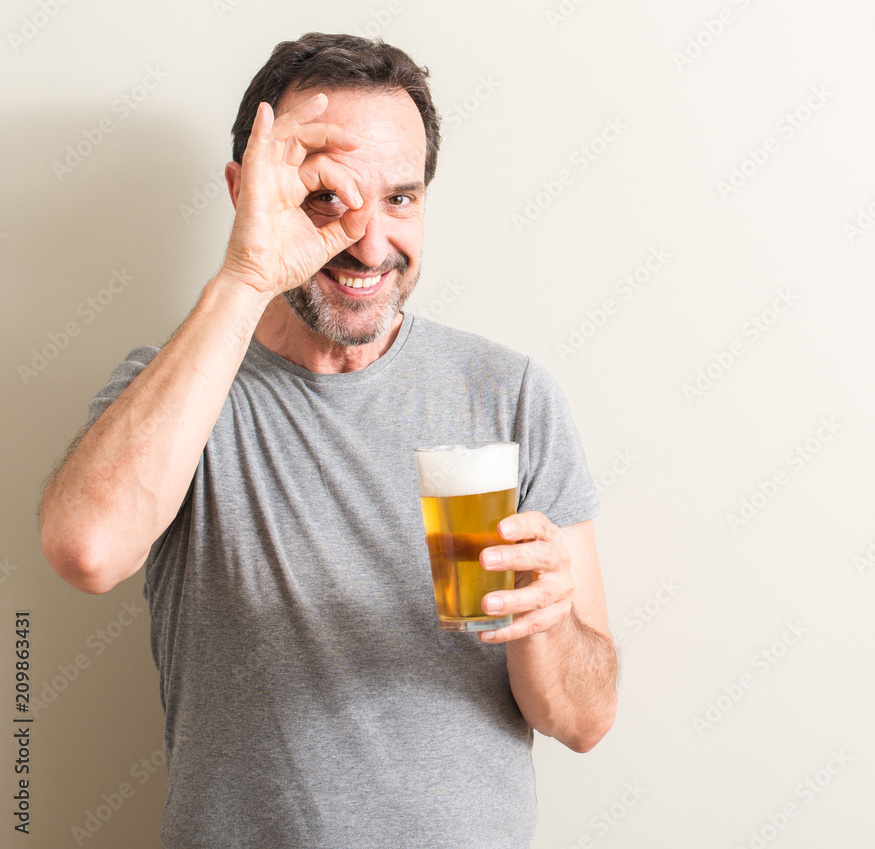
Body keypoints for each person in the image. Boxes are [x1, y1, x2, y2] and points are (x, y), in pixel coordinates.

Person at [39, 32, 617, 847]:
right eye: (324, 197)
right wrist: (247, 276)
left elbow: (586, 719)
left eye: (400, 199)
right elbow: (85, 548)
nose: (370, 243)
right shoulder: (179, 393)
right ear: (246, 194)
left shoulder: (509, 395)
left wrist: (550, 623)